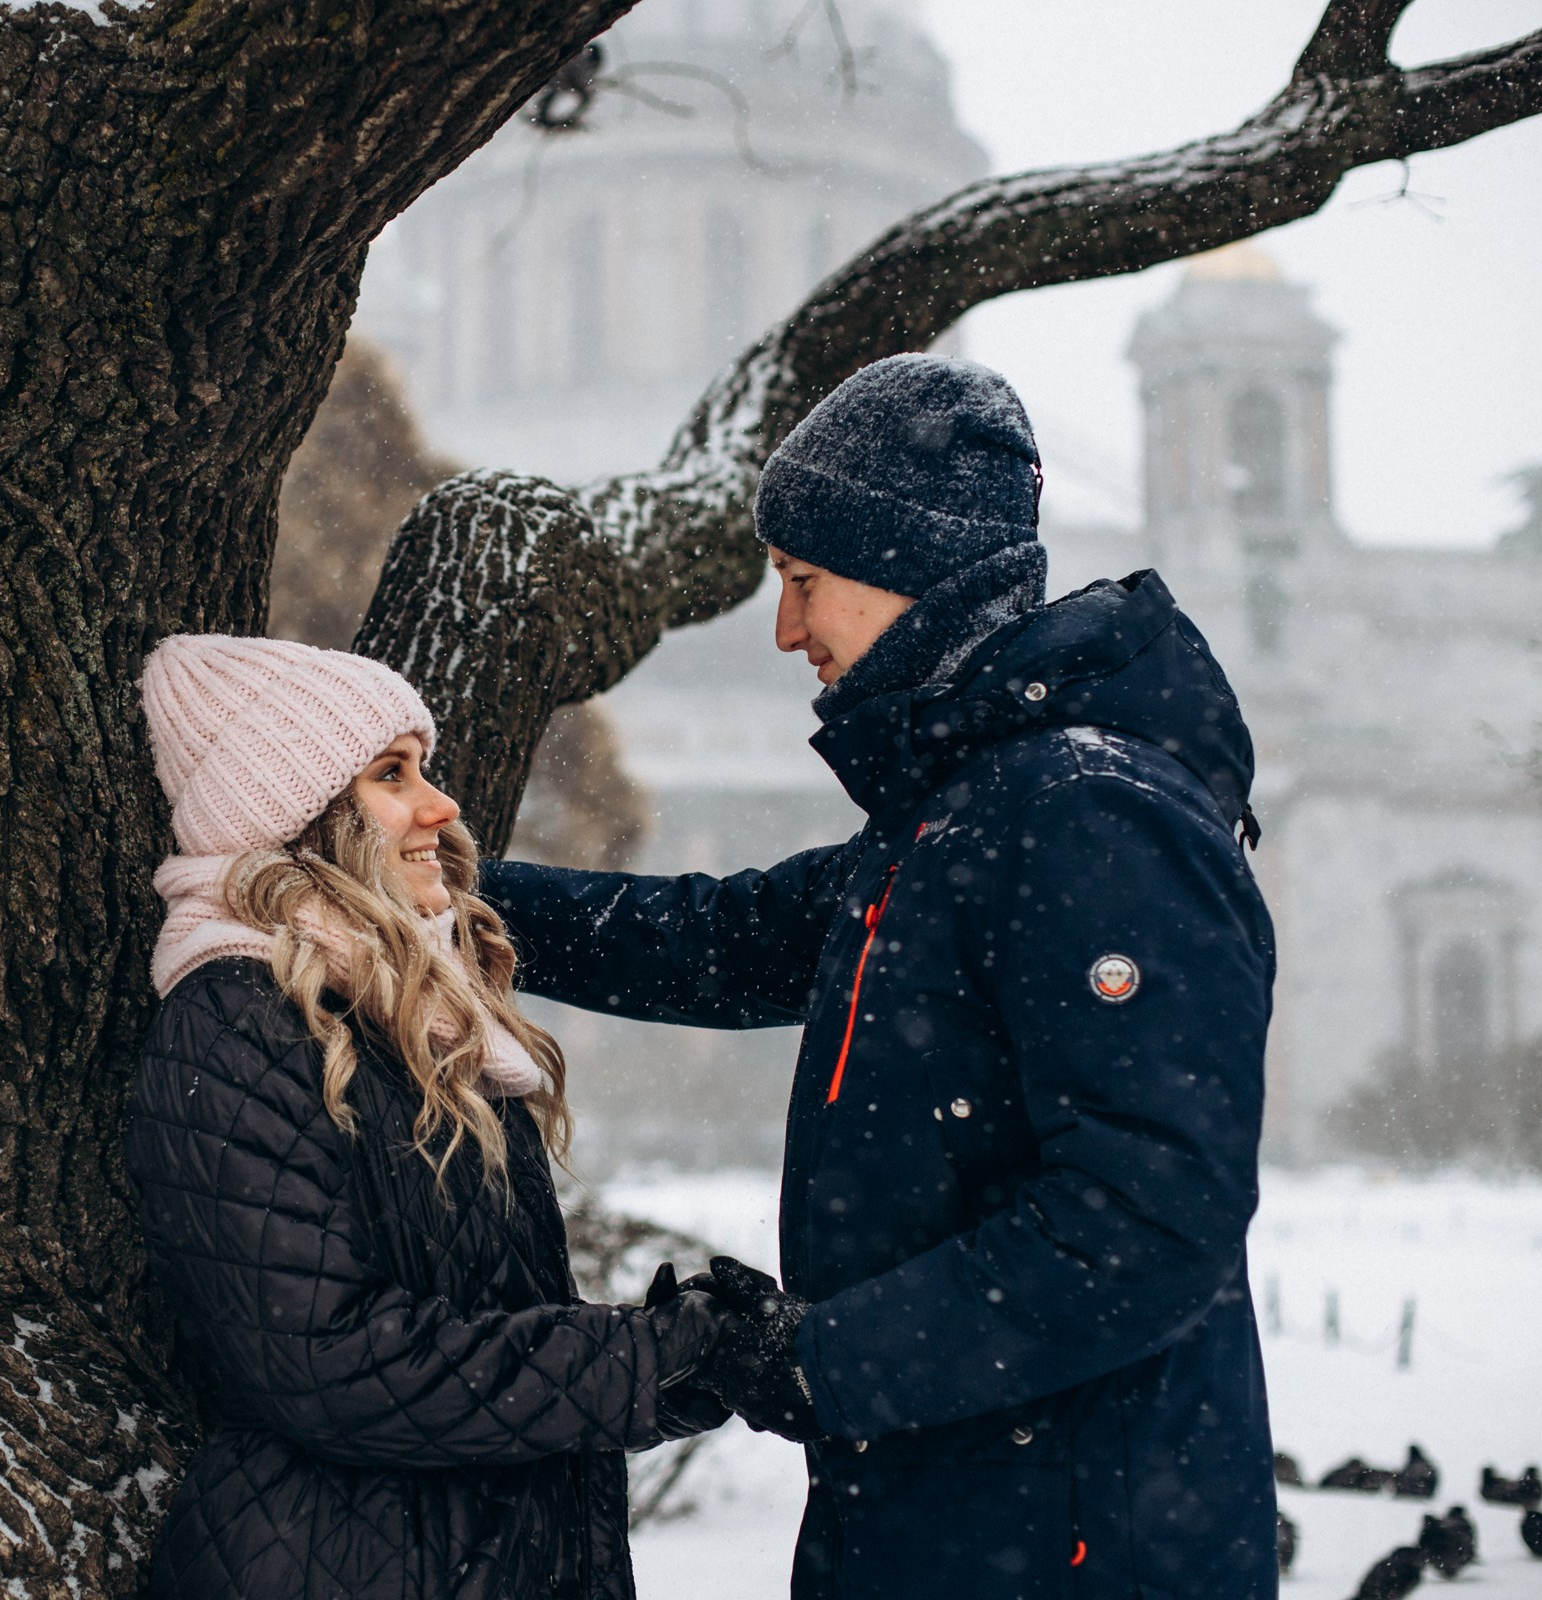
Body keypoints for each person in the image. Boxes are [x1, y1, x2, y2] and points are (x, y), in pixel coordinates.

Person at [480, 354, 1281, 1597]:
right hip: (944, 1508)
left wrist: (826, 1358)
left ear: (914, 574)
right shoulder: (963, 812)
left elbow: (1146, 1217)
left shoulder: (1084, 816)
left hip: (1067, 1542)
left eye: (803, 583)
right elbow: (724, 938)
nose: (787, 630)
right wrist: (455, 902)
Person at [124, 634, 730, 1600]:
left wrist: (688, 1366)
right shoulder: (237, 1019)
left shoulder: (411, 1018)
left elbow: (480, 1323)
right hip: (344, 1567)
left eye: (426, 767)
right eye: (392, 774)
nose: (441, 807)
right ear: (300, 815)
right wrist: (642, 1358)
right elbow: (329, 1363)